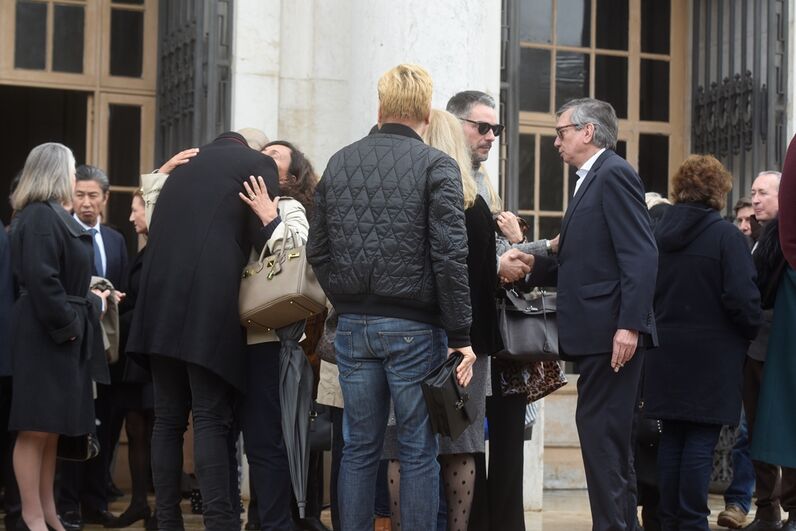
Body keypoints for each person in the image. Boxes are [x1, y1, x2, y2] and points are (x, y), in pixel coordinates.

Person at [307, 64, 476, 531]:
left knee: (359, 447)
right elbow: (449, 255)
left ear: (380, 108)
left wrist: (345, 296)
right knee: (417, 448)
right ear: (426, 112)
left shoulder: (340, 160)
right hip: (414, 329)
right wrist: (461, 333)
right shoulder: (436, 165)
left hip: (354, 326)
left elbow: (316, 249)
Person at [126, 131, 279, 531]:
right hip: (209, 305)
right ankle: (220, 522)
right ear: (248, 149)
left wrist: (159, 175)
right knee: (210, 418)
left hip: (158, 304)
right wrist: (271, 220)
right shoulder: (256, 166)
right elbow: (260, 243)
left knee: (168, 420)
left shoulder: (180, 170)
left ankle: (167, 521)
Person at [383, 109, 528, 531]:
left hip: (412, 332)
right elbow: (485, 282)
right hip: (469, 341)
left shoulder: (408, 197)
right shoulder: (478, 206)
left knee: (400, 442)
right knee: (460, 442)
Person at [527, 98, 658, 531]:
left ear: (588, 132)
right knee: (608, 440)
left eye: (561, 132)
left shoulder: (614, 174)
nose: (556, 142)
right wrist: (531, 266)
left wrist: (629, 325)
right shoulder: (591, 179)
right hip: (598, 334)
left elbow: (640, 255)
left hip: (612, 336)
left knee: (603, 437)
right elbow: (585, 260)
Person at [446, 89, 549, 531]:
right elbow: (449, 256)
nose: (491, 136)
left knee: (494, 442)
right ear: (455, 125)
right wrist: (499, 261)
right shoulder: (444, 173)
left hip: (495, 337)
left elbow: (490, 250)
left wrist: (529, 246)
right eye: (482, 127)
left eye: (496, 129)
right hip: (455, 334)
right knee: (454, 441)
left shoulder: (483, 180)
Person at [643, 155, 761, 530]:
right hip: (713, 356)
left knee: (673, 438)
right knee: (700, 440)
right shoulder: (726, 236)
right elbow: (743, 299)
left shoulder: (657, 235)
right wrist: (748, 330)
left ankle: (670, 518)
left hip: (664, 351)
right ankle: (692, 520)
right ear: (719, 191)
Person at [8, 142, 111, 531]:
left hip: (57, 333)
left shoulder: (50, 215)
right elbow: (42, 280)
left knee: (50, 430)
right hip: (45, 334)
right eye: (70, 171)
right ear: (55, 173)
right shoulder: (37, 216)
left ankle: (49, 513)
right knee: (35, 427)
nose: (74, 178)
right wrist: (70, 325)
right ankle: (33, 518)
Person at [238, 140, 317, 530]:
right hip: (234, 338)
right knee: (255, 439)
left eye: (274, 156)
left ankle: (275, 523)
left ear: (291, 176)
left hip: (268, 340)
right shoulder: (235, 204)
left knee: (267, 439)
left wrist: (270, 217)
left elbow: (300, 257)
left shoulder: (290, 207)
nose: (264, 159)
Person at [58, 164, 128, 529]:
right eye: (80, 195)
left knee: (104, 429)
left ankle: (95, 503)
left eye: (93, 196)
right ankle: (66, 506)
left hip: (107, 352)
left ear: (105, 198)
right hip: (71, 348)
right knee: (72, 427)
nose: (86, 203)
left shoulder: (116, 239)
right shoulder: (64, 234)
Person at [745, 168, 796, 531]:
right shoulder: (758, 238)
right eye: (753, 192)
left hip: (780, 343)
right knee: (755, 431)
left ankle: (793, 508)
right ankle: (766, 508)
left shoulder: (786, 241)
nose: (756, 200)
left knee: (784, 429)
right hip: (752, 346)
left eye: (764, 193)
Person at [103, 190, 156, 529]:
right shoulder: (147, 250)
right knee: (136, 429)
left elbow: (150, 305)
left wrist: (112, 320)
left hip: (146, 356)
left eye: (137, 210)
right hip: (133, 356)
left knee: (149, 430)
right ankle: (140, 503)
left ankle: (156, 507)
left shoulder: (160, 252)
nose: (131, 217)